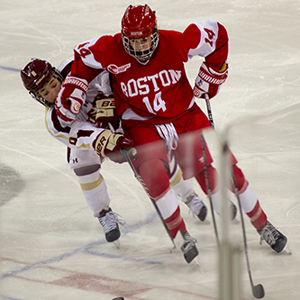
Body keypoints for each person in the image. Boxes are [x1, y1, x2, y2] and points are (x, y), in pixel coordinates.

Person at [55, 4, 287, 262]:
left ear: (154, 32)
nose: (140, 47)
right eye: (133, 41)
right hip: (141, 122)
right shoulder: (111, 48)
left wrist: (214, 71)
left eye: (144, 39)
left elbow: (217, 33)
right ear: (123, 36)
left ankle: (263, 224)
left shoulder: (176, 41)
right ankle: (180, 235)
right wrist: (76, 81)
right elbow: (82, 56)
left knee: (224, 172)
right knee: (154, 176)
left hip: (185, 116)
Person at [20, 56, 209, 246]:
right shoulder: (54, 122)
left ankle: (188, 194)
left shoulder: (73, 67)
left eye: (53, 84)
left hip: (118, 116)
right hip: (95, 140)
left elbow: (107, 66)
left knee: (153, 156)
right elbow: (82, 136)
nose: (54, 92)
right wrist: (107, 138)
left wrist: (109, 97)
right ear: (38, 97)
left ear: (56, 74)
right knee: (81, 162)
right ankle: (103, 213)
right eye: (45, 92)